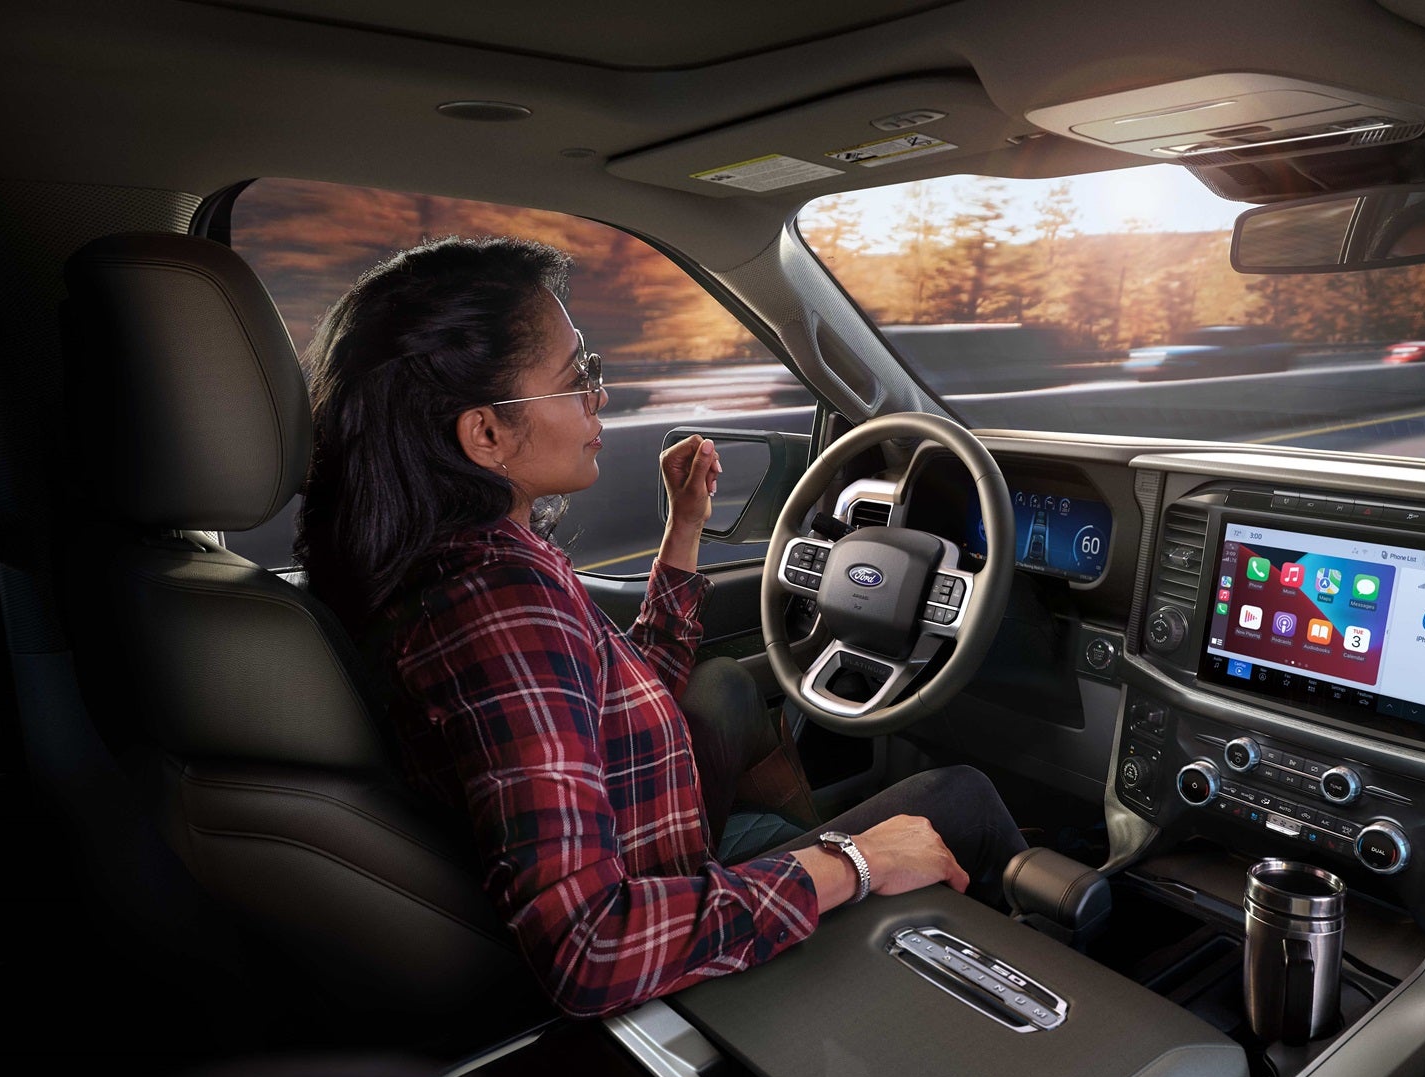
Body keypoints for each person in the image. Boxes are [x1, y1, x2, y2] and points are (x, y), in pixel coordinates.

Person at [297, 235, 1027, 1018]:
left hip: (669, 869)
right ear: (486, 436)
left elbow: (606, 694)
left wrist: (684, 529)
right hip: (668, 950)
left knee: (718, 689)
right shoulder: (498, 603)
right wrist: (857, 862)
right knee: (962, 796)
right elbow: (591, 947)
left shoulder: (456, 561)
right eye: (579, 377)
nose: (599, 397)